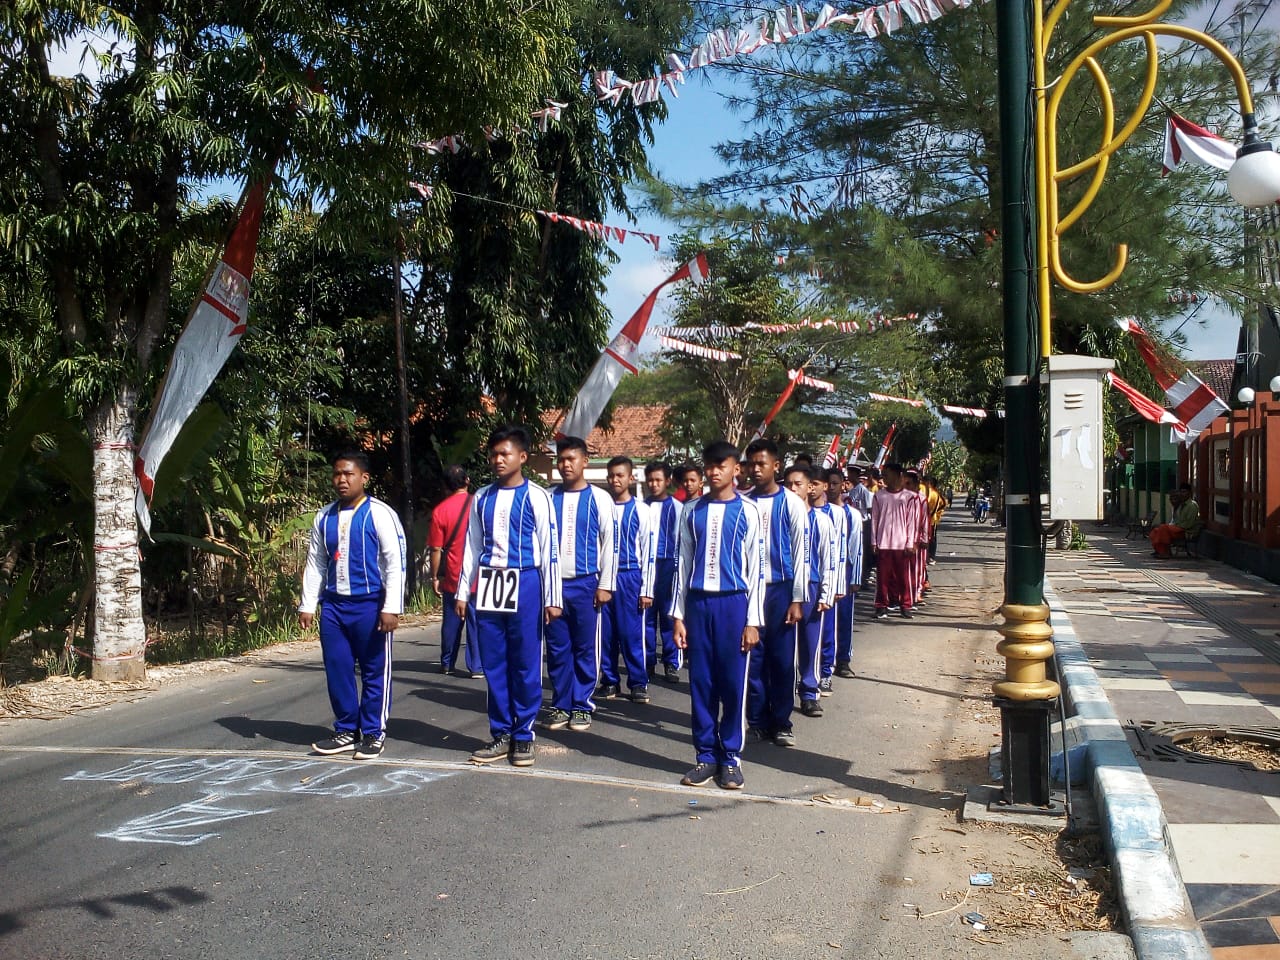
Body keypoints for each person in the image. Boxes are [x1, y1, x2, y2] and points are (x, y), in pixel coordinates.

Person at [457, 425, 562, 768]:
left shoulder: (537, 496)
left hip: (527, 579)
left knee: (525, 662)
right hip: (490, 583)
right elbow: (471, 546)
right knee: (494, 662)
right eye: (494, 454)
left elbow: (550, 549)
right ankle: (501, 732)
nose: (498, 459)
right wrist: (462, 592)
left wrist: (552, 597)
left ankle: (523, 735)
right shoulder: (481, 497)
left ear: (522, 457)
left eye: (505, 454)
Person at [300, 451, 407, 760]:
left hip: (370, 604)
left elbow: (394, 563)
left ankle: (373, 733)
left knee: (374, 670)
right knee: (338, 668)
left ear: (364, 478)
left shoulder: (380, 514)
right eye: (337, 474)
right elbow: (316, 563)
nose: (342, 480)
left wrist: (391, 607)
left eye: (349, 474)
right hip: (333, 606)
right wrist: (308, 604)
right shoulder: (324, 516)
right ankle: (347, 729)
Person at [672, 440, 765, 790]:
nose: (713, 472)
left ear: (735, 470)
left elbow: (757, 569)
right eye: (709, 466)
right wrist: (678, 616)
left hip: (733, 604)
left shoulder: (748, 511)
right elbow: (682, 564)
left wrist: (752, 620)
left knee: (732, 683)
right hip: (698, 604)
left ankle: (730, 758)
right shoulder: (691, 510)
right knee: (701, 683)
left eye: (721, 466)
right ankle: (705, 756)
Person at [545, 437, 616, 732]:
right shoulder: (548, 498)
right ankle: (561, 704)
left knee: (585, 647)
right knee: (558, 648)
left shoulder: (600, 499)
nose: (566, 465)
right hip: (555, 586)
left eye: (571, 459)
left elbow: (610, 544)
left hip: (587, 584)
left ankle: (582, 704)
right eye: (561, 460)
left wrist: (605, 584)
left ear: (585, 461)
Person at [744, 440, 810, 747]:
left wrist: (797, 598)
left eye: (762, 464)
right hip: (749, 592)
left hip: (781, 590)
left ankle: (781, 721)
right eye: (751, 464)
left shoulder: (793, 504)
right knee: (753, 659)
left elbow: (801, 554)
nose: (756, 470)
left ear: (776, 466)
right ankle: (756, 720)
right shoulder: (742, 503)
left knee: (782, 660)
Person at [599, 456, 654, 703]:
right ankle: (610, 681)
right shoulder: (601, 507)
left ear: (631, 478)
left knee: (631, 633)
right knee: (606, 634)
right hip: (605, 577)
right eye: (611, 475)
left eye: (620, 475)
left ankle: (638, 682)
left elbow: (649, 551)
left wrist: (647, 589)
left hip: (630, 577)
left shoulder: (642, 510)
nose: (615, 480)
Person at [785, 463, 837, 719]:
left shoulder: (822, 520)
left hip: (812, 588)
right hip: (784, 587)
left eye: (798, 484)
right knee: (783, 644)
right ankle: (782, 692)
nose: (793, 489)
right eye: (789, 484)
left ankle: (809, 692)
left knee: (809, 641)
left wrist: (827, 593)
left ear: (809, 487)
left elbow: (829, 559)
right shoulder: (780, 517)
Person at [428, 464, 480, 678]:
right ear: (467, 481)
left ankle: (447, 662)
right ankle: (477, 666)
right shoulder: (480, 504)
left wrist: (434, 576)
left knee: (451, 621)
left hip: (453, 575)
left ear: (445, 486)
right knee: (477, 622)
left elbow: (436, 549)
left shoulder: (440, 511)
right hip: (479, 574)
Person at [643, 460, 683, 683]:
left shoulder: (678, 507)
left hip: (669, 565)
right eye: (650, 480)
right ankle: (648, 661)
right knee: (647, 616)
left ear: (667, 481)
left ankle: (671, 662)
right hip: (648, 566)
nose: (654, 484)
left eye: (658, 480)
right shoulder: (641, 506)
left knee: (669, 616)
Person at [871, 463, 924, 620]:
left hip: (902, 544)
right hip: (884, 543)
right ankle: (881, 606)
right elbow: (874, 519)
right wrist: (874, 541)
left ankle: (906, 605)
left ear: (897, 475)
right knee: (882, 578)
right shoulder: (879, 496)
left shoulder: (909, 497)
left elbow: (912, 523)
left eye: (887, 474)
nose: (884, 477)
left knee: (903, 578)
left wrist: (910, 543)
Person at [812, 468, 847, 696]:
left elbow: (840, 551)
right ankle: (804, 675)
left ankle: (825, 673)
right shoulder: (798, 511)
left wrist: (838, 584)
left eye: (816, 483)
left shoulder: (837, 513)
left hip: (828, 581)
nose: (811, 488)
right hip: (806, 584)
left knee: (827, 630)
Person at [829, 467, 863, 680]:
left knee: (843, 618)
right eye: (828, 483)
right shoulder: (816, 512)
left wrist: (855, 578)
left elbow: (856, 547)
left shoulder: (853, 514)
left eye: (835, 483)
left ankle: (843, 660)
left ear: (844, 484)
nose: (831, 488)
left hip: (845, 572)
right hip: (822, 575)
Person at [1151, 484, 1202, 558]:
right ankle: (1159, 550)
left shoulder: (1192, 505)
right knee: (1155, 530)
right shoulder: (1181, 505)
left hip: (1186, 531)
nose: (1182, 494)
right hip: (1178, 528)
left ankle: (1166, 552)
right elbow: (1175, 519)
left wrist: (1174, 526)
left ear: (1189, 493)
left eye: (1184, 492)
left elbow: (1188, 524)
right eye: (1181, 492)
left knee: (1163, 528)